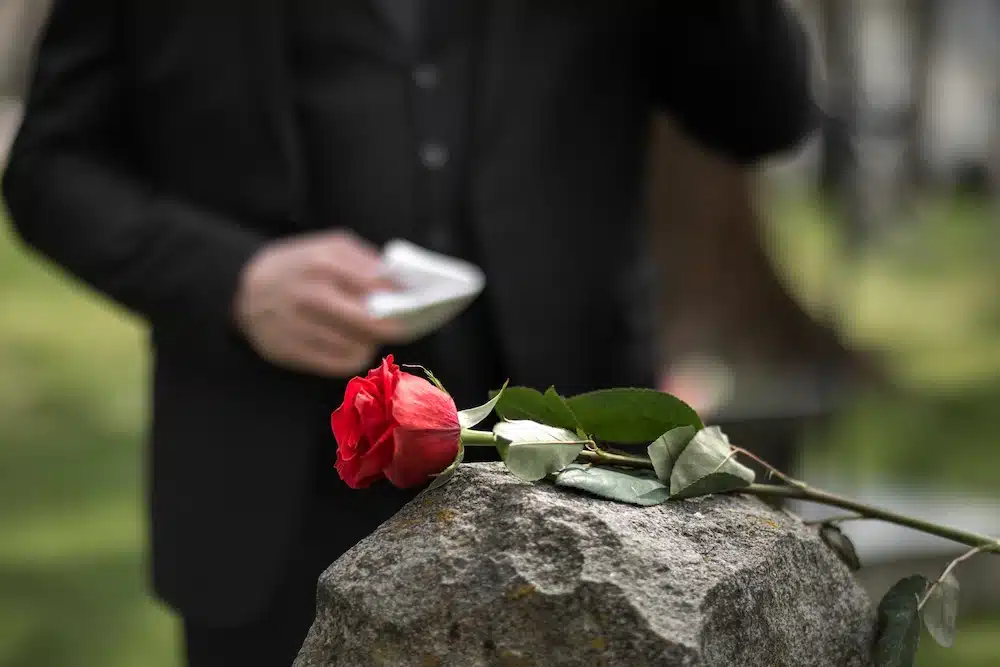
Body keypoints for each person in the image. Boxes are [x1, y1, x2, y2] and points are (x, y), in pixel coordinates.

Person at [2, 1, 818, 664]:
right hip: (266, 502)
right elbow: (50, 167)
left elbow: (766, 114)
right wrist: (232, 282)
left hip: (587, 475)